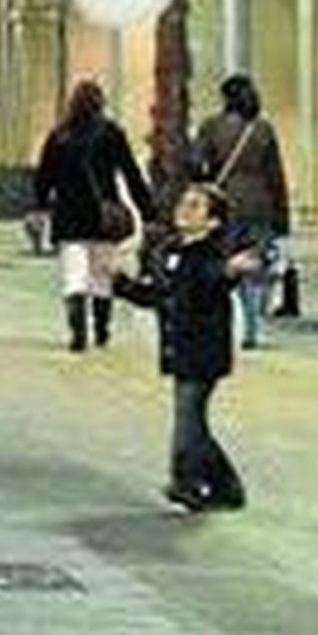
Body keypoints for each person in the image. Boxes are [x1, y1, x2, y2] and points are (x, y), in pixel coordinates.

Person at [113, 182, 262, 510]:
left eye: (196, 206)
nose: (184, 208)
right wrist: (121, 285)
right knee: (195, 422)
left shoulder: (211, 254)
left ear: (213, 222)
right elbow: (159, 296)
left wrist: (232, 269)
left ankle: (187, 482)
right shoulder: (171, 251)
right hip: (178, 348)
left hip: (204, 352)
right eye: (184, 202)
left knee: (188, 419)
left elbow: (213, 278)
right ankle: (226, 487)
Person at [34, 78, 153, 352]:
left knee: (74, 274)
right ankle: (101, 329)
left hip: (69, 217)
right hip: (103, 218)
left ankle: (77, 329)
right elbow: (131, 174)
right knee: (102, 275)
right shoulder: (111, 133)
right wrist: (147, 211)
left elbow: (44, 176)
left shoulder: (59, 136)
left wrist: (40, 206)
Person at [191, 73, 291, 349]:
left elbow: (196, 164)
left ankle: (238, 320)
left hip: (226, 204)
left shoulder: (211, 126)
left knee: (228, 262)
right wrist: (282, 217)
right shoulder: (263, 129)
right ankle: (252, 323)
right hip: (260, 204)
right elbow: (276, 175)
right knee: (255, 262)